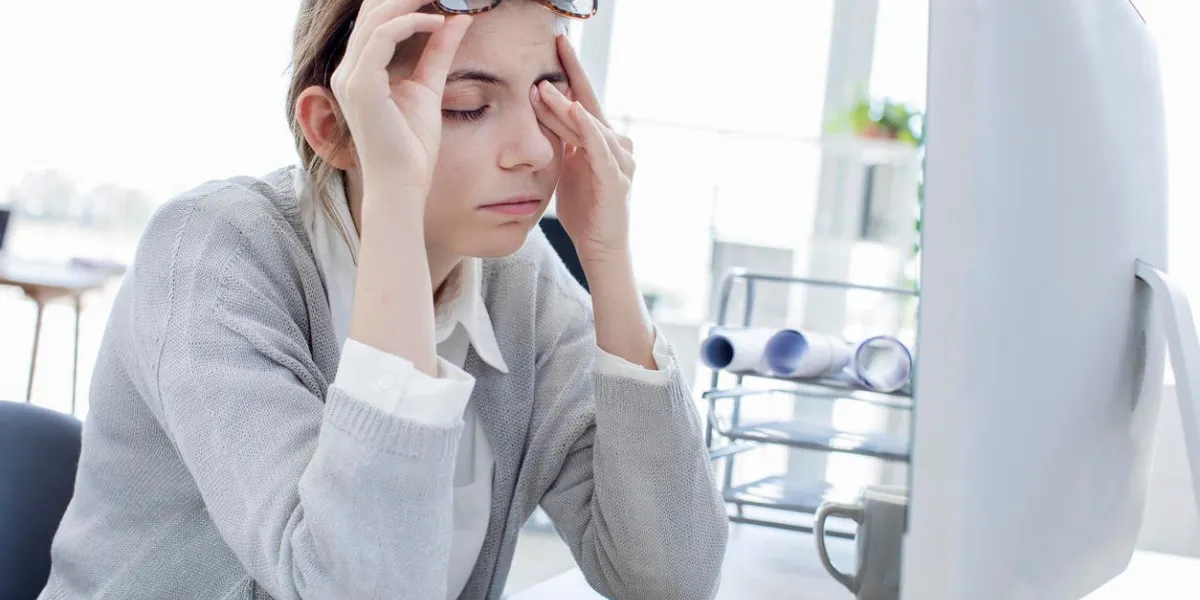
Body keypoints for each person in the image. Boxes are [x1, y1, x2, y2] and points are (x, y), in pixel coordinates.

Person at [37, 0, 729, 598]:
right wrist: (395, 195)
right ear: (333, 129)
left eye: (550, 96)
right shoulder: (214, 253)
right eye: (465, 106)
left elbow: (668, 579)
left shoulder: (524, 278)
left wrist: (606, 258)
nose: (532, 151)